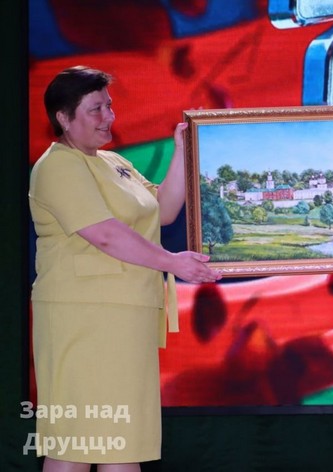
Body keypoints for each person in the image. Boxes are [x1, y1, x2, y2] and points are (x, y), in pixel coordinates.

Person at [29, 66, 222, 472]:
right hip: (83, 318)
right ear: (64, 117)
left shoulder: (114, 162)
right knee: (75, 442)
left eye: (109, 106)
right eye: (96, 109)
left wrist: (183, 149)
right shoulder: (56, 166)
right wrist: (173, 262)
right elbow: (105, 235)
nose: (109, 117)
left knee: (123, 441)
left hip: (127, 315)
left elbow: (163, 210)